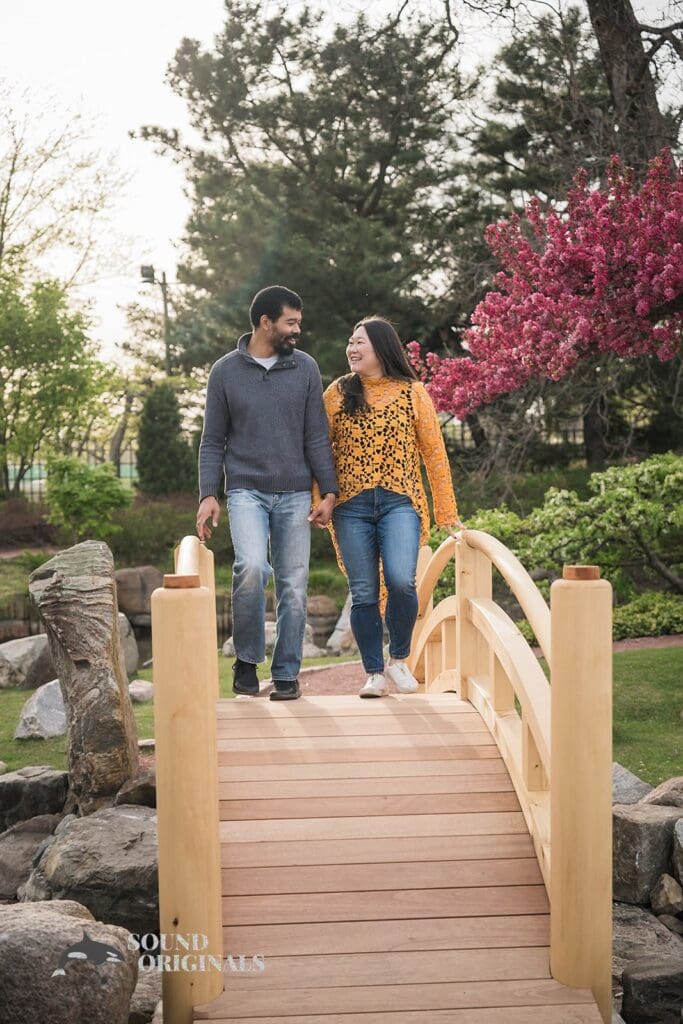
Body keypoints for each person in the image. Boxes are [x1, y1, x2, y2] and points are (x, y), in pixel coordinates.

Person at [196, 285, 338, 700]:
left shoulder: (306, 368)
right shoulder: (225, 371)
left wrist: (327, 491)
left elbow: (316, 434)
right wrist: (209, 494)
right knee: (253, 567)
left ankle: (288, 672)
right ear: (265, 322)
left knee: (294, 584)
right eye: (291, 322)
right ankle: (247, 659)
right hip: (245, 490)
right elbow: (212, 440)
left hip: (295, 492)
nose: (297, 329)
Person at [318, 317, 462, 698]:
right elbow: (317, 451)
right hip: (351, 506)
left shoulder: (413, 393)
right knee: (363, 591)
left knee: (401, 579)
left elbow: (434, 453)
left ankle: (398, 658)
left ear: (381, 347)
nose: (351, 348)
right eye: (349, 342)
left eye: (359, 342)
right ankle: (374, 673)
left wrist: (446, 512)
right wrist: (321, 498)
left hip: (400, 501)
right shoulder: (336, 393)